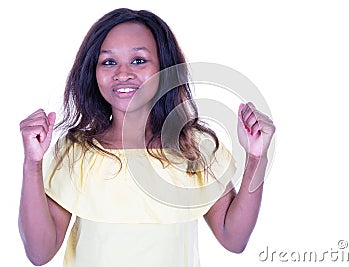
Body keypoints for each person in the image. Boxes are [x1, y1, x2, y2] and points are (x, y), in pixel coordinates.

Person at [18, 8, 275, 267]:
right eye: (108, 62)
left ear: (165, 67)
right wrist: (32, 163)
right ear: (93, 72)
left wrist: (256, 157)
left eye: (139, 60)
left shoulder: (195, 149)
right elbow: (39, 254)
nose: (122, 73)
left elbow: (234, 239)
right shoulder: (76, 152)